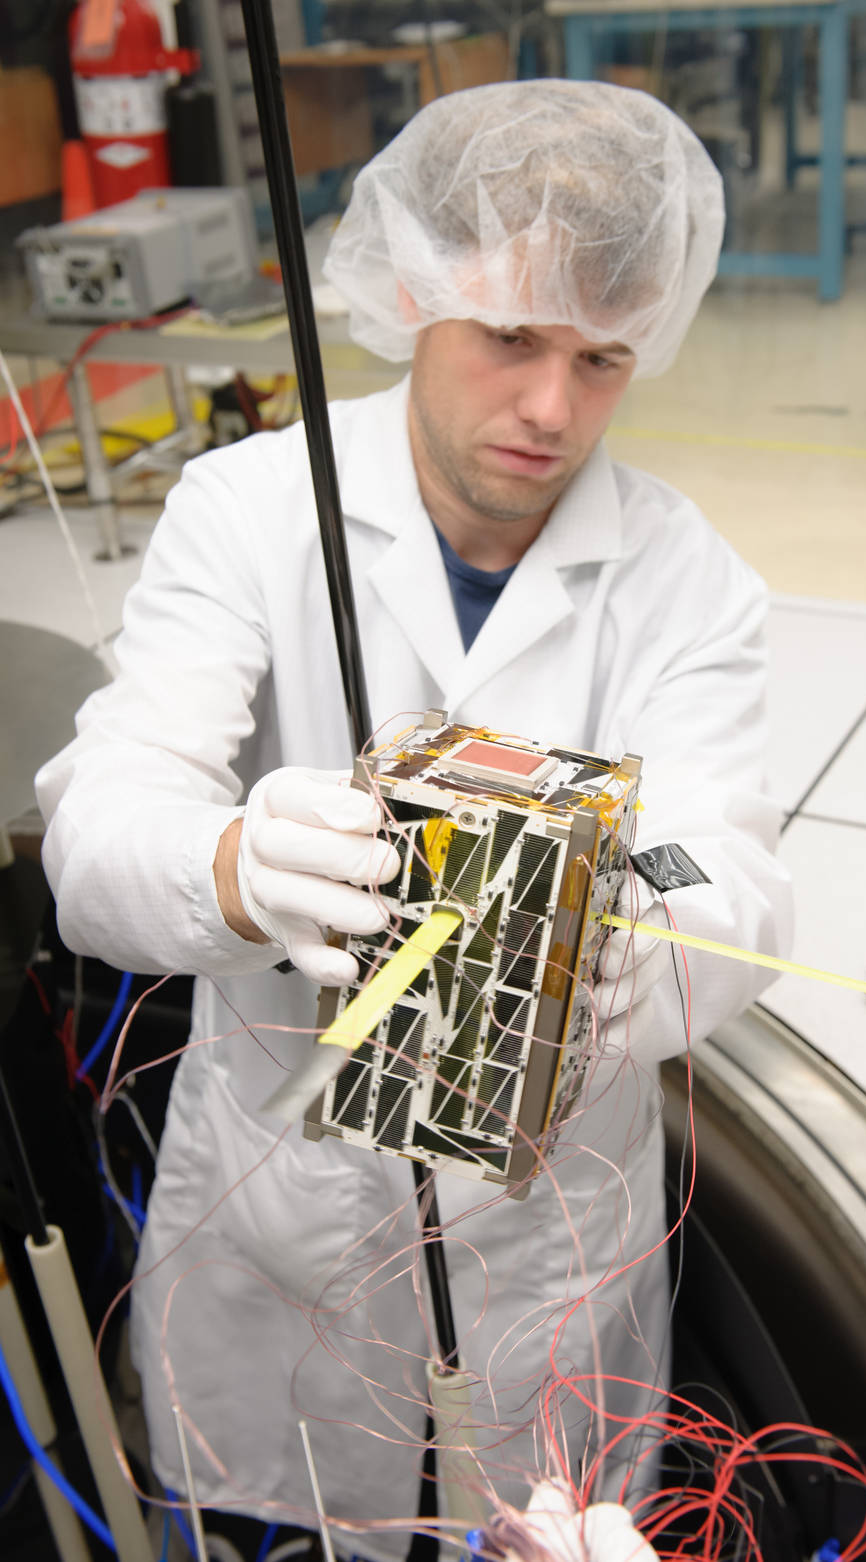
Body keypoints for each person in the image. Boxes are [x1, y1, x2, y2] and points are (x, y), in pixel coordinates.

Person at [36, 80, 792, 1558]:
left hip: (547, 1264)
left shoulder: (682, 580)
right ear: (409, 293)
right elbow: (97, 831)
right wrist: (235, 872)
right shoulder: (246, 508)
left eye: (601, 357)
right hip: (281, 1236)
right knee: (284, 1524)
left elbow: (740, 883)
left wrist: (645, 947)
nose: (549, 409)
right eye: (510, 337)